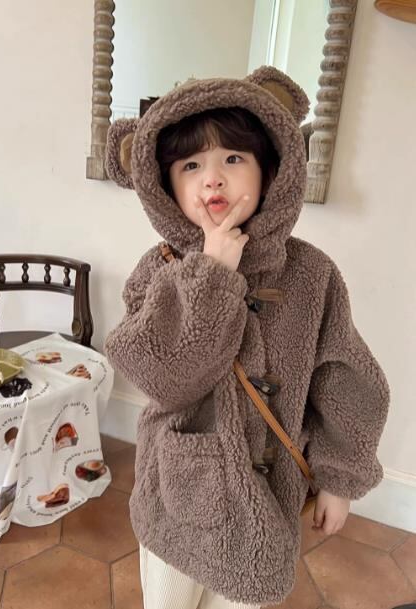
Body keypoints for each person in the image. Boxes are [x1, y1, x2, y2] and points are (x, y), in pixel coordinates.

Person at [104, 66, 390, 609]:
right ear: (165, 186)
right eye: (191, 165)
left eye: (233, 159)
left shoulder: (311, 274)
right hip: (177, 490)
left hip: (266, 495)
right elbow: (165, 377)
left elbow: (345, 378)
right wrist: (211, 274)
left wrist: (339, 478)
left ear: (270, 169)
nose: (213, 179)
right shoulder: (157, 271)